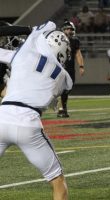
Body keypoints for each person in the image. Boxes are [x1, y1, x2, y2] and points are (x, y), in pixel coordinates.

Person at [0, 21, 72, 200]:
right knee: (57, 182)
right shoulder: (64, 77)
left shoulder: (22, 55)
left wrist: (28, 32)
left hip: (2, 118)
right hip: (29, 125)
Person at [57, 21, 85, 118]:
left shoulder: (75, 40)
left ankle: (62, 107)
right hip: (59, 67)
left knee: (68, 87)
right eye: (68, 29)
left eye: (71, 29)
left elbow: (78, 54)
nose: (70, 31)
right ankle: (61, 108)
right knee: (59, 88)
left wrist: (81, 66)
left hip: (70, 68)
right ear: (63, 30)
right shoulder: (57, 40)